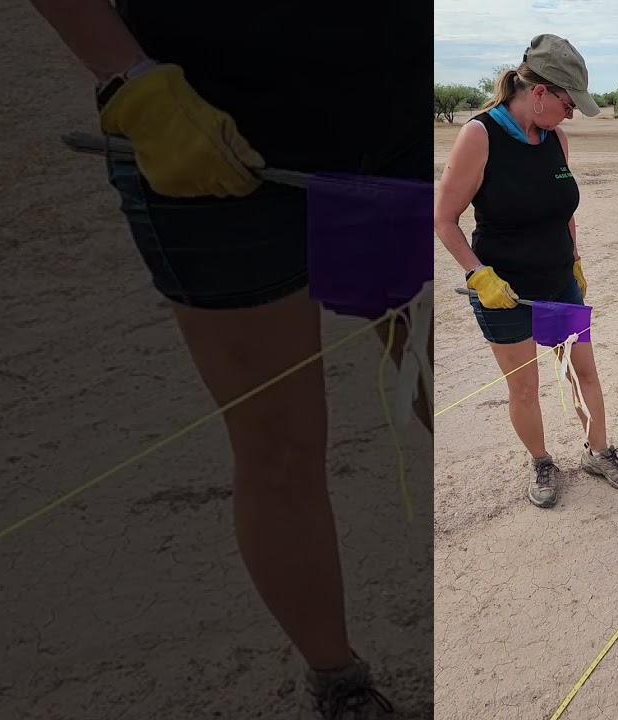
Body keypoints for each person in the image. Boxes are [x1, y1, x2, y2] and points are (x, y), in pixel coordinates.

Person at [27, 1, 431, 717]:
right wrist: (130, 78)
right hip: (201, 134)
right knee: (279, 450)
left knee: (439, 383)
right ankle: (338, 681)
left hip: (391, 125)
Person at [434, 34, 618, 510]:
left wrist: (575, 259)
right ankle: (542, 461)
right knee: (525, 387)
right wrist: (478, 275)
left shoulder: (556, 139)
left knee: (582, 373)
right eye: (569, 105)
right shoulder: (479, 136)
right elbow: (444, 220)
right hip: (503, 292)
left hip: (558, 284)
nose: (571, 116)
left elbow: (562, 209)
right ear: (541, 93)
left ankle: (598, 452)